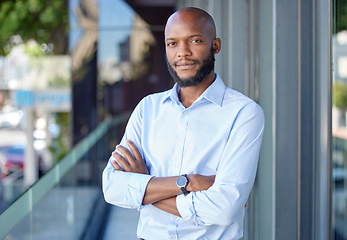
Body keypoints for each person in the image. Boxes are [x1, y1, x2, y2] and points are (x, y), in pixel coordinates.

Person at [102, 7, 264, 240]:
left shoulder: (244, 113)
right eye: (172, 43)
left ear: (215, 45)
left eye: (195, 40)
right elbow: (112, 187)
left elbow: (224, 209)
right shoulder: (147, 109)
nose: (182, 53)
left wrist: (146, 187)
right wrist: (188, 183)